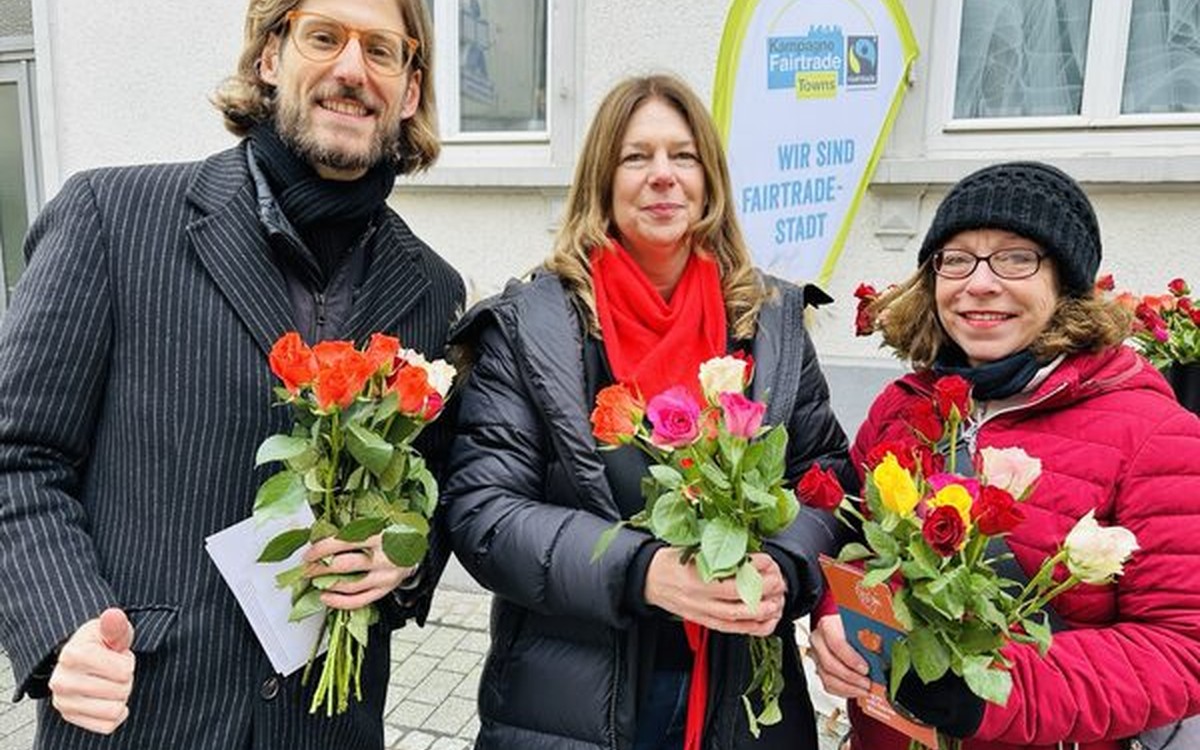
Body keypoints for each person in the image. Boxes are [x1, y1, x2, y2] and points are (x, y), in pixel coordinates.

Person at [0, 0, 464, 747]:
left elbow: (433, 492)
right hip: (145, 717)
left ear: (410, 90)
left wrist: (403, 558)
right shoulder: (113, 217)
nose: (352, 69)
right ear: (269, 58)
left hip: (328, 725)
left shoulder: (434, 289)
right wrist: (64, 624)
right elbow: (17, 455)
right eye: (324, 37)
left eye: (382, 50)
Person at [440, 73, 855, 750]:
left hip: (739, 699)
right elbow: (484, 512)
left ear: (709, 177)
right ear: (602, 179)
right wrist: (639, 571)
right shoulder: (532, 326)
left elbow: (829, 480)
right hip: (573, 702)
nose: (663, 176)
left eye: (683, 155)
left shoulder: (770, 322)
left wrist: (788, 562)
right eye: (637, 157)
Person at [811, 161, 1200, 749]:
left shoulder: (1152, 433)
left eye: (1016, 257)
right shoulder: (901, 409)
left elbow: (1180, 648)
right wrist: (832, 625)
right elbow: (848, 552)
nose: (980, 282)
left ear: (1065, 283)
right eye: (956, 258)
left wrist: (989, 691)